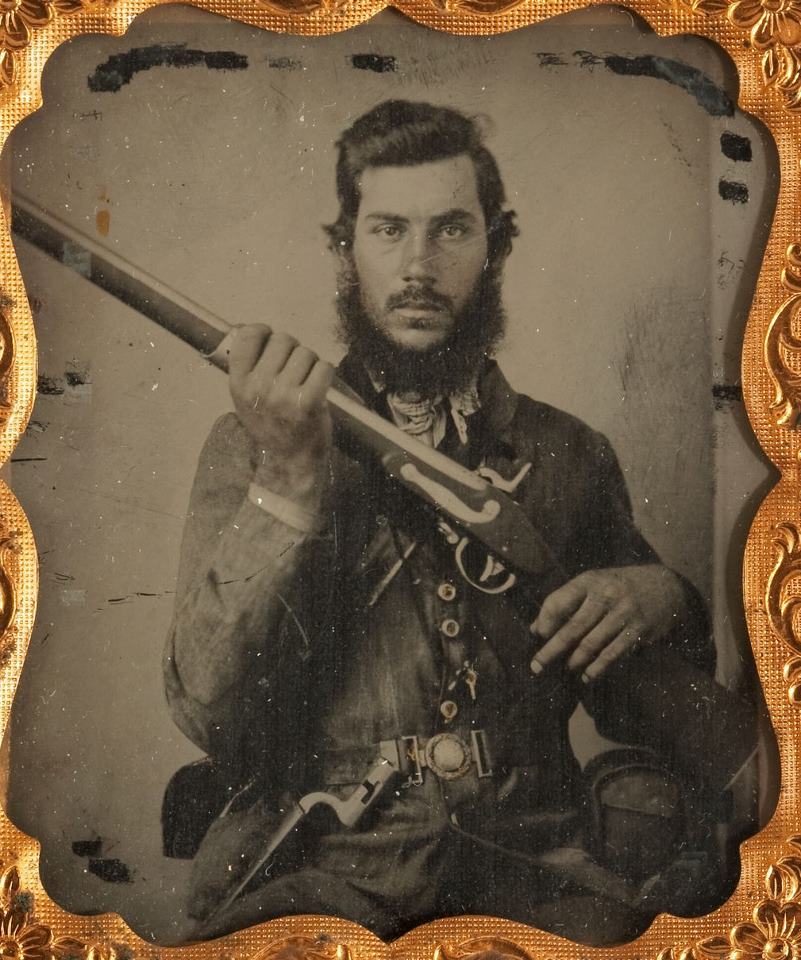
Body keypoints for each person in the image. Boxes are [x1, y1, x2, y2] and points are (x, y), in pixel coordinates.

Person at [163, 99, 756, 945]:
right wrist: (288, 479)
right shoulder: (252, 442)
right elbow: (207, 712)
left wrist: (663, 597)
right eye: (388, 230)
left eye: (450, 229)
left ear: (494, 246)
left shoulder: (568, 451)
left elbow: (639, 703)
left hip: (535, 862)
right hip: (332, 864)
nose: (418, 265)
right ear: (345, 248)